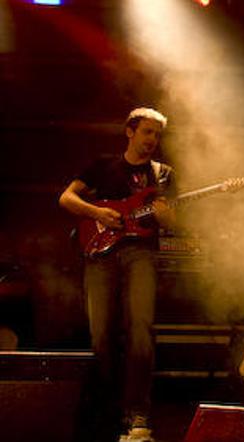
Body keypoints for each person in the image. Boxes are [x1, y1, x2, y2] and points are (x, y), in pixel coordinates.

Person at [59, 107, 175, 442]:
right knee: (101, 334)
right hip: (101, 254)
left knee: (141, 329)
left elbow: (172, 221)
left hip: (141, 253)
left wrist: (165, 215)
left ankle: (137, 413)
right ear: (130, 131)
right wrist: (98, 213)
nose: (152, 140)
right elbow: (66, 198)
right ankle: (106, 410)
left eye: (157, 135)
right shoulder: (102, 166)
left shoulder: (163, 174)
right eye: (147, 132)